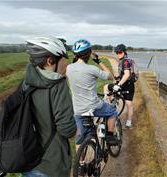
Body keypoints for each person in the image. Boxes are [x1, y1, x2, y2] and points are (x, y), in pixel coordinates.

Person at [23, 36, 76, 177]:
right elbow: (67, 130)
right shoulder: (58, 86)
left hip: (28, 162)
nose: (66, 63)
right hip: (51, 165)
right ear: (49, 60)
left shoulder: (26, 83)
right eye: (63, 58)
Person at [66, 39, 118, 147]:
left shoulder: (68, 68)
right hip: (93, 106)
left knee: (80, 140)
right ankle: (110, 136)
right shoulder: (92, 69)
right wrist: (98, 60)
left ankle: (80, 162)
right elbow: (110, 76)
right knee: (112, 111)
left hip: (78, 109)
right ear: (89, 54)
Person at [108, 44, 135, 128]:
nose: (118, 54)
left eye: (120, 52)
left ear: (124, 52)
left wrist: (119, 85)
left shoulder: (126, 61)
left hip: (127, 85)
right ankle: (113, 115)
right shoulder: (123, 60)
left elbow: (127, 74)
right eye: (117, 52)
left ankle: (129, 121)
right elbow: (122, 74)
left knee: (128, 103)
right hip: (123, 84)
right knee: (112, 97)